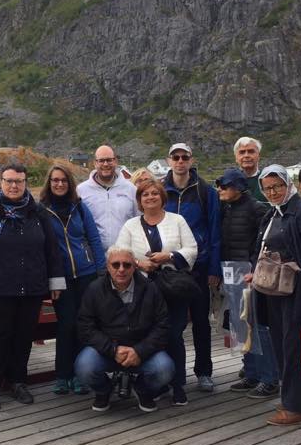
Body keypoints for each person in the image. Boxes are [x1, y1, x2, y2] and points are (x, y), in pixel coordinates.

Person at [0, 163, 66, 410]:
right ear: (1, 182)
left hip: (31, 287)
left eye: (18, 181)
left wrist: (55, 280)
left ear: (25, 183)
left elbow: (52, 248)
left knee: (23, 336)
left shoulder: (38, 213)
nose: (13, 186)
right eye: (9, 181)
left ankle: (18, 381)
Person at [248, 164, 301, 426]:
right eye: (267, 188)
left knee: (292, 346)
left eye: (277, 186)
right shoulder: (274, 213)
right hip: (275, 290)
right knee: (284, 344)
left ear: (287, 184)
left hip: (298, 290)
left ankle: (294, 406)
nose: (272, 192)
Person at [114, 179, 197, 404]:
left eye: (154, 193)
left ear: (162, 197)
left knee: (174, 336)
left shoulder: (177, 220)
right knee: (147, 336)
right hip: (142, 292)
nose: (150, 197)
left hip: (172, 289)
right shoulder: (131, 225)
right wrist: (139, 264)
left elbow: (192, 249)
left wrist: (168, 256)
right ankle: (155, 383)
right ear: (139, 200)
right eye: (145, 195)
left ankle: (178, 385)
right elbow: (119, 251)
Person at [75, 248, 174, 412]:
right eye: (116, 265)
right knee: (84, 367)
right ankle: (104, 391)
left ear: (134, 266)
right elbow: (85, 326)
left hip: (142, 350)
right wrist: (113, 350)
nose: (121, 269)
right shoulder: (94, 289)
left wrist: (139, 351)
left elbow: (163, 325)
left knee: (165, 369)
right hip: (107, 350)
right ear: (108, 267)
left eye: (127, 265)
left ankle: (142, 390)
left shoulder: (150, 288)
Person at [40, 162, 106, 394]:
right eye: (55, 180)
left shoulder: (80, 207)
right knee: (66, 325)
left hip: (87, 274)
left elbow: (94, 239)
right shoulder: (42, 210)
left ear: (69, 183)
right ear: (49, 183)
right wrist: (50, 278)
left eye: (63, 180)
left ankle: (80, 375)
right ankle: (62, 375)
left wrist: (100, 272)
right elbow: (41, 247)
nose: (59, 184)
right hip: (61, 278)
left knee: (84, 324)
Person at [161, 142, 221, 393]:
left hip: (199, 267)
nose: (180, 161)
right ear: (168, 160)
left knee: (200, 322)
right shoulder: (160, 190)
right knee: (171, 324)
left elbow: (215, 231)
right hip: (169, 269)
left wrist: (214, 269)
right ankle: (172, 374)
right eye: (175, 157)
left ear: (191, 160)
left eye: (184, 157)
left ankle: (204, 371)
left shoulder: (205, 191)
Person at [218, 168, 279, 399]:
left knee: (258, 326)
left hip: (250, 273)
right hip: (231, 271)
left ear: (239, 187)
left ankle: (269, 378)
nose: (220, 190)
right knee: (239, 326)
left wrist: (255, 268)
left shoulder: (257, 209)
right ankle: (251, 373)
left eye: (225, 186)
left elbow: (264, 243)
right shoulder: (226, 208)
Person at [78, 145, 138, 251]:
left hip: (125, 255)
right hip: (94, 255)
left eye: (109, 160)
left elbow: (139, 221)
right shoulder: (81, 191)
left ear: (116, 161)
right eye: (101, 160)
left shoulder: (131, 189)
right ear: (95, 163)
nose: (105, 164)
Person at [233, 136, 266, 205]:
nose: (246, 155)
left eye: (251, 151)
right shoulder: (228, 183)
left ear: (258, 156)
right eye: (242, 152)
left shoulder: (268, 179)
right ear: (236, 157)